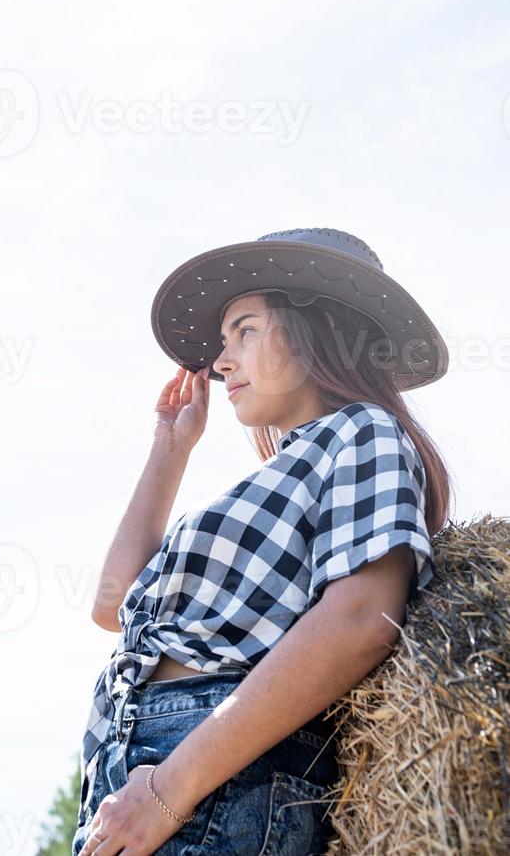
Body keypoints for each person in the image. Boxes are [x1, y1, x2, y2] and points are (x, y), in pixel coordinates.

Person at [72, 227, 453, 856]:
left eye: (245, 331)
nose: (221, 362)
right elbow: (113, 606)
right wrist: (169, 448)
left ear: (319, 333)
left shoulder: (364, 432)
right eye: (224, 343)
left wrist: (171, 787)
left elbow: (361, 618)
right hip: (136, 776)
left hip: (209, 779)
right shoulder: (272, 480)